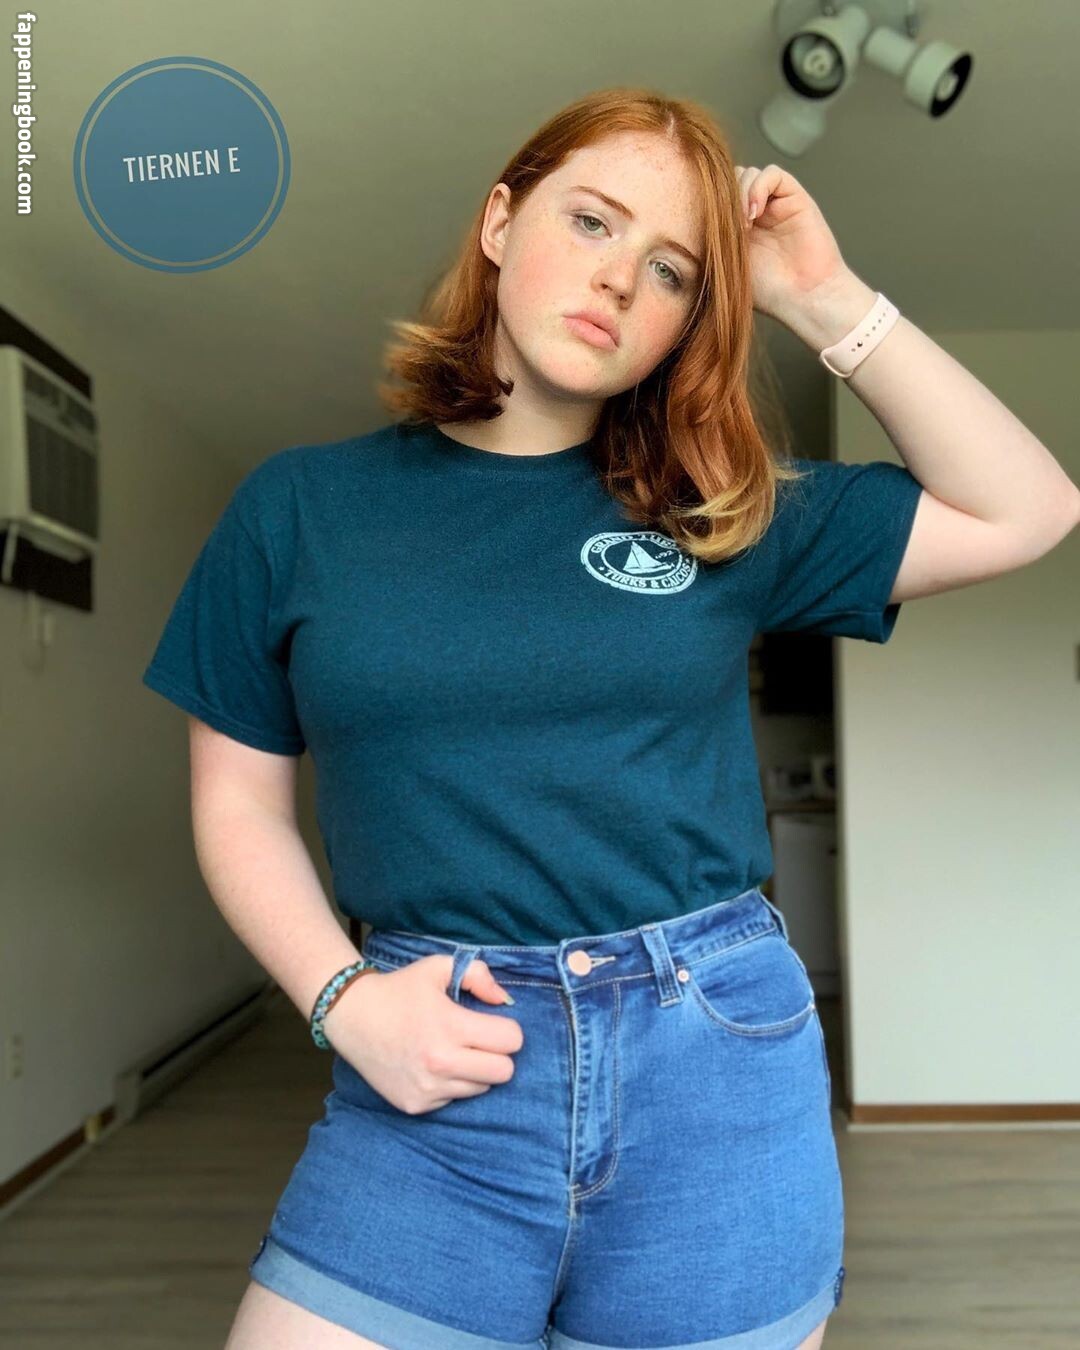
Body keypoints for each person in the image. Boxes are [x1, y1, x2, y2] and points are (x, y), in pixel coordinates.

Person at [142, 85, 1065, 1349]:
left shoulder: (721, 510)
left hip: (715, 1066)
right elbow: (237, 802)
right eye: (591, 221)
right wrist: (341, 998)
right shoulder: (298, 510)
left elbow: (1028, 509)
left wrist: (820, 298)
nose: (622, 278)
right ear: (500, 222)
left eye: (673, 269)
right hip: (437, 1068)